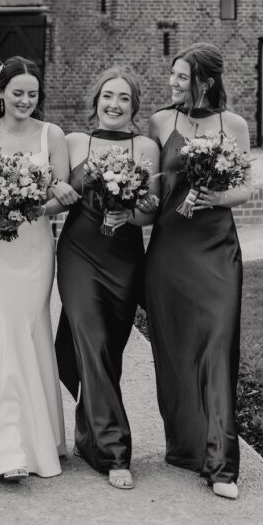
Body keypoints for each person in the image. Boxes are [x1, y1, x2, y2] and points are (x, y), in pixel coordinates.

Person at [145, 42, 252, 500]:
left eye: (182, 76)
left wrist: (216, 197)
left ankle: (222, 464)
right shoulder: (159, 122)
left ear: (205, 81)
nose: (173, 82)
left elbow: (245, 185)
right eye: (173, 75)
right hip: (170, 251)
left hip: (216, 249)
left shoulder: (234, 125)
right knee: (177, 350)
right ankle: (189, 446)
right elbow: (151, 188)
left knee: (217, 346)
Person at [0, 57, 70, 483]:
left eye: (32, 94)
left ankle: (36, 439)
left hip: (34, 246)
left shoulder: (52, 134)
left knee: (28, 331)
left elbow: (61, 192)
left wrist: (31, 205)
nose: (25, 100)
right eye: (17, 92)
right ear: (0, 92)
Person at [52, 66, 159, 490]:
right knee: (91, 342)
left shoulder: (145, 146)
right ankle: (115, 451)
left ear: (134, 105)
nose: (114, 105)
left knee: (108, 350)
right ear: (95, 99)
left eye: (124, 99)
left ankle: (88, 436)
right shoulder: (74, 141)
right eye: (107, 96)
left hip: (124, 256)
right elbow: (57, 194)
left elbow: (152, 208)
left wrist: (129, 213)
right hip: (79, 253)